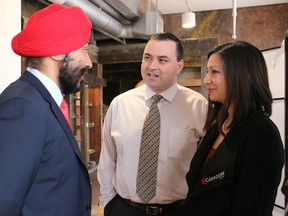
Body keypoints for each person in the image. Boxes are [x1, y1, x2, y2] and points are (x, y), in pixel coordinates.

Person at [97, 32, 208, 216]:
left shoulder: (198, 107)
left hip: (178, 210)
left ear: (179, 66)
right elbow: (108, 159)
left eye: (162, 60)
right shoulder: (120, 104)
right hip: (125, 209)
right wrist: (108, 203)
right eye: (147, 57)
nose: (152, 66)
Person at [0, 4, 93, 216]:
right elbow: (4, 201)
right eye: (84, 49)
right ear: (59, 52)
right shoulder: (22, 106)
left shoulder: (41, 101)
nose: (88, 62)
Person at [185, 41, 284, 215]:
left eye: (214, 72)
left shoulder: (262, 134)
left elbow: (253, 206)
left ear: (240, 75)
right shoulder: (218, 126)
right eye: (208, 72)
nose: (206, 79)